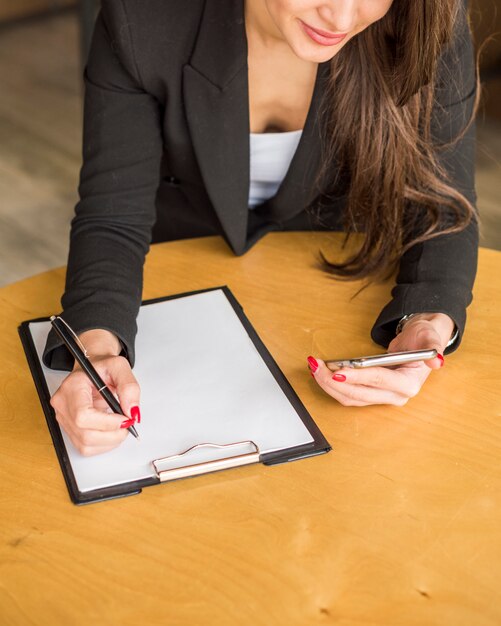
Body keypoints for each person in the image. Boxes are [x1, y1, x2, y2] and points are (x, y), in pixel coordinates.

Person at [44, 0, 478, 456]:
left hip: (337, 285)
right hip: (178, 281)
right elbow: (113, 217)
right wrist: (93, 351)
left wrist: (427, 323)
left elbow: (442, 208)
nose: (342, 18)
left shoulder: (425, 17)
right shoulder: (144, 15)